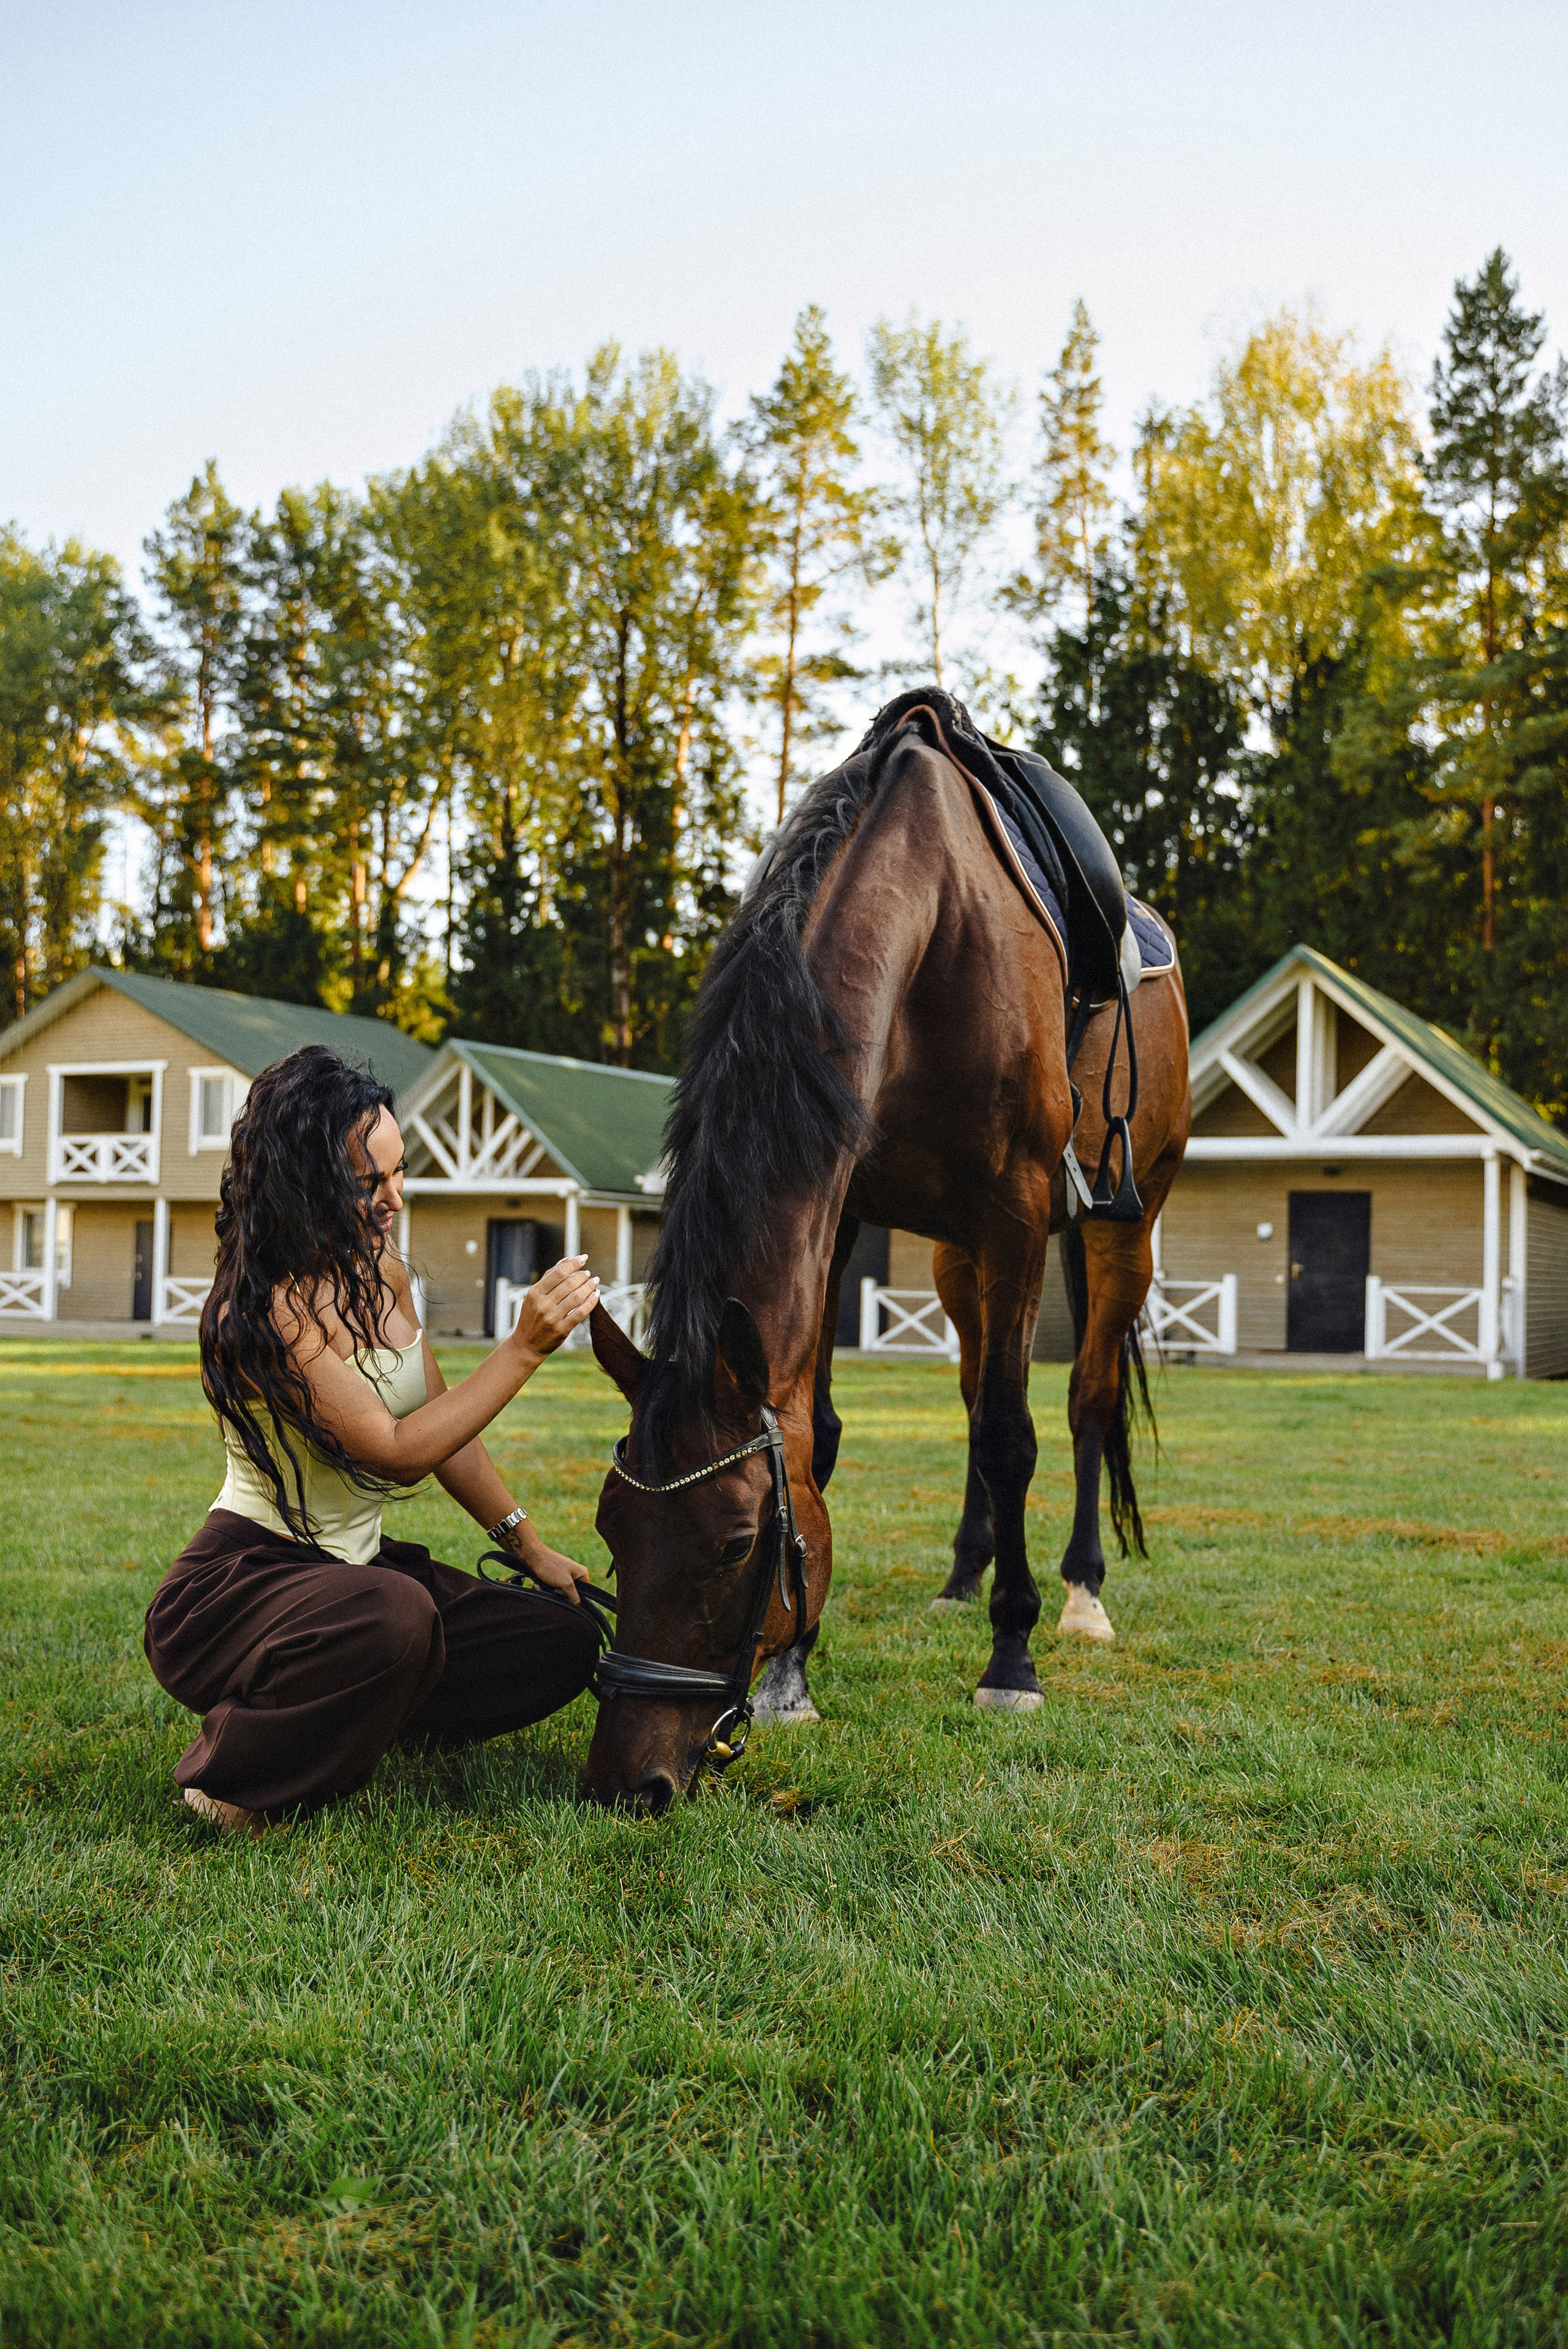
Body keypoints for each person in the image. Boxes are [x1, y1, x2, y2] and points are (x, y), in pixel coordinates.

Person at [144, 1044, 603, 1837]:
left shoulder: (379, 1272)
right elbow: (395, 1450)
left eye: (398, 1173)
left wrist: (529, 1548)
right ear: (306, 1182)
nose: (394, 1197)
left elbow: (442, 1426)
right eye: (370, 1184)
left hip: (354, 1581)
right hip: (245, 1581)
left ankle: (360, 1709)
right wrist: (523, 1347)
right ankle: (227, 1779)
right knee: (396, 1615)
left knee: (562, 1640)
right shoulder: (263, 1312)